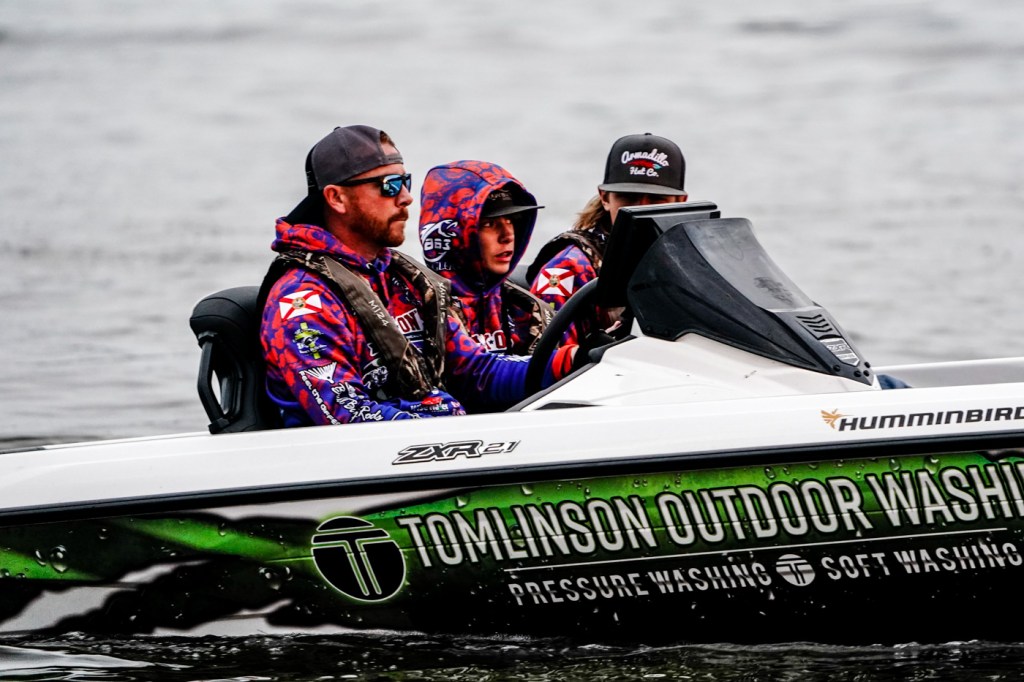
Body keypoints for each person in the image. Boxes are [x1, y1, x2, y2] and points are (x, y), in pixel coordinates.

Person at [258, 125, 575, 427]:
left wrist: (573, 360)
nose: (406, 197)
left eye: (405, 182)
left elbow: (476, 372)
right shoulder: (301, 302)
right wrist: (444, 422)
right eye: (389, 185)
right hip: (353, 461)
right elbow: (346, 415)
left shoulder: (407, 281)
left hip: (430, 445)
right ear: (337, 198)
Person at [525, 133, 688, 343]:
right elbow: (544, 356)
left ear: (681, 201)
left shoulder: (687, 263)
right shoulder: (568, 268)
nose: (642, 209)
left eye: (656, 199)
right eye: (629, 198)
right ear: (605, 198)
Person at [419, 161, 552, 362]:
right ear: (454, 231)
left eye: (511, 220)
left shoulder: (528, 308)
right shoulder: (418, 311)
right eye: (489, 224)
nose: (507, 235)